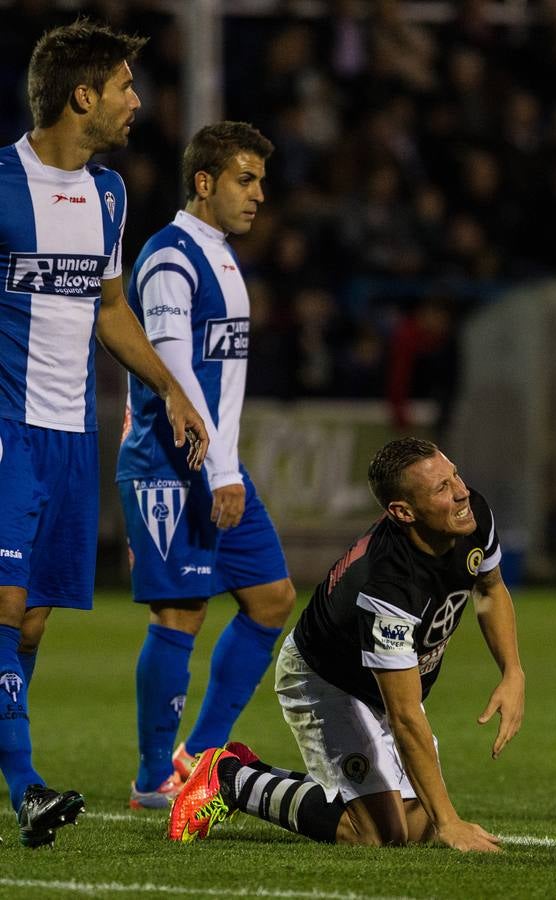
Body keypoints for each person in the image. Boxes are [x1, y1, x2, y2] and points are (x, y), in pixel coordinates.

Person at [0, 19, 209, 848]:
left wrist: (170, 388)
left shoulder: (112, 195)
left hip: (71, 439)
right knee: (4, 608)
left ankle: (15, 766)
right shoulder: (1, 185)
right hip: (7, 433)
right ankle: (27, 789)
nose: (137, 101)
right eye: (125, 86)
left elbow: (110, 309)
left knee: (32, 625)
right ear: (81, 95)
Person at [169, 437, 525, 852]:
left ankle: (271, 778)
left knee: (416, 824)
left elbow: (491, 587)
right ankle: (231, 778)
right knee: (378, 834)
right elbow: (405, 715)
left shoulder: (470, 513)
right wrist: (450, 822)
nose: (461, 491)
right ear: (403, 512)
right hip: (327, 681)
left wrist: (512, 670)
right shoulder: (387, 586)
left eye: (454, 475)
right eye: (442, 488)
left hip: (382, 681)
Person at [116, 121, 296, 810]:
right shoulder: (169, 256)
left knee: (272, 597)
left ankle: (201, 751)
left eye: (260, 181)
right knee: (180, 613)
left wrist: (226, 466)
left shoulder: (220, 255)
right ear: (204, 181)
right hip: (169, 464)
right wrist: (219, 470)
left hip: (220, 464)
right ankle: (153, 777)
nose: (258, 194)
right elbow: (175, 369)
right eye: (245, 180)